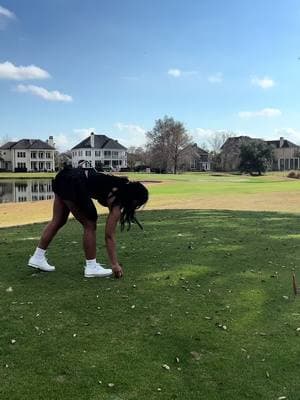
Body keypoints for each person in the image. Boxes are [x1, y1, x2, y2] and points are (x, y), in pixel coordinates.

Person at [28, 166, 149, 278]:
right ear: (134, 199)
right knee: (90, 223)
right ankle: (91, 267)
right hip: (74, 181)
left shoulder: (119, 184)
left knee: (58, 220)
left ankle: (37, 257)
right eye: (137, 204)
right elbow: (109, 236)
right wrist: (115, 264)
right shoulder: (117, 198)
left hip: (64, 176)